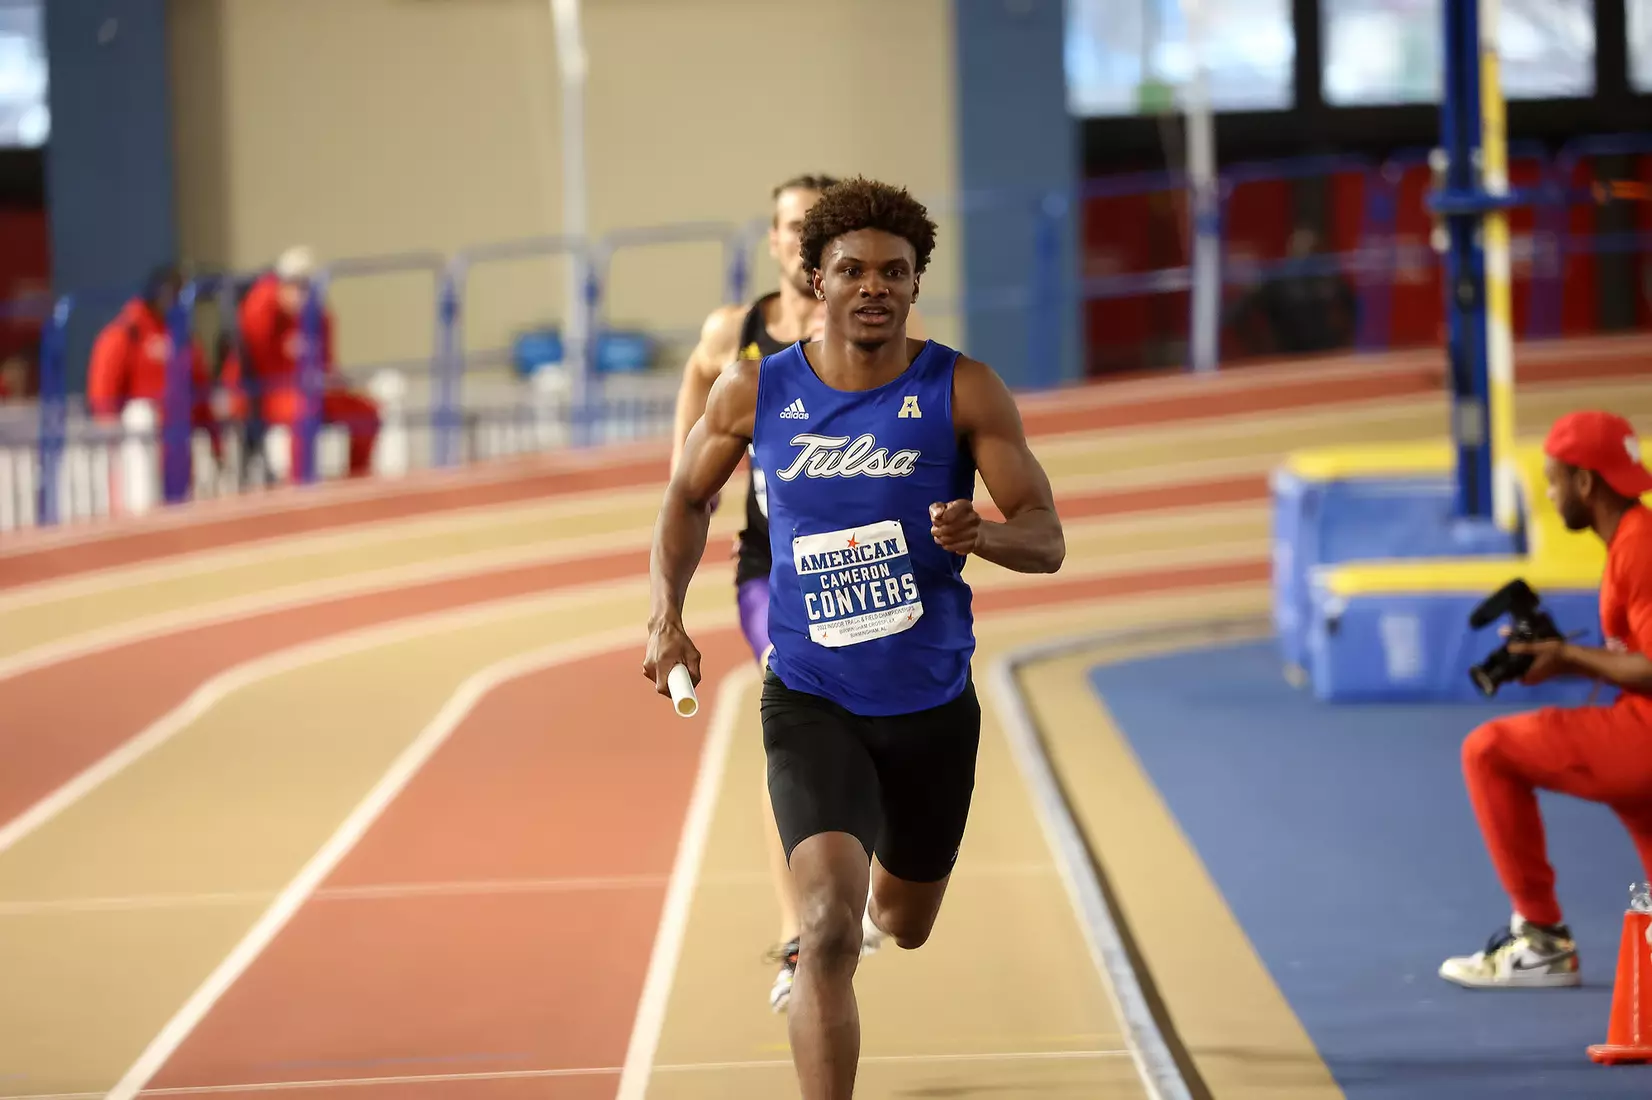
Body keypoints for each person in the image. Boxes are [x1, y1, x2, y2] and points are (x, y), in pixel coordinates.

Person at [645, 177, 1064, 1098]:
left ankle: (887, 894)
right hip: (812, 698)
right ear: (816, 276)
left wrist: (982, 534)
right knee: (829, 929)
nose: (874, 286)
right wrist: (666, 616)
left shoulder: (963, 389)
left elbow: (1046, 533)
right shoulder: (758, 390)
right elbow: (684, 497)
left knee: (900, 922)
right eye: (852, 269)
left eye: (895, 272)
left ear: (917, 285)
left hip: (930, 709)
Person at [670, 173, 930, 1014]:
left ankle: (872, 832)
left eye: (805, 229)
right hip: (773, 566)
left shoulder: (870, 324)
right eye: (783, 227)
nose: (793, 241)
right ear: (777, 242)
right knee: (796, 690)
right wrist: (691, 475)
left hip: (869, 569)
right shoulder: (734, 335)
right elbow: (698, 399)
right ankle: (802, 926)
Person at [1440, 410, 1652, 990]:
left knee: (1488, 750)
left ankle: (1540, 941)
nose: (1551, 494)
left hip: (1645, 736)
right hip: (1638, 725)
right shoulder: (1633, 537)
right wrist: (1556, 659)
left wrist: (1567, 655)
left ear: (1586, 482)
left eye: (1554, 480)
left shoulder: (1639, 547)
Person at [223, 246, 380, 478]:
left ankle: (356, 480)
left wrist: (337, 381)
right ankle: (302, 485)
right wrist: (271, 294)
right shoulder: (262, 309)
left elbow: (326, 363)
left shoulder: (318, 315)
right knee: (304, 409)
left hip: (312, 388)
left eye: (305, 285)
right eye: (292, 284)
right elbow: (254, 342)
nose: (299, 292)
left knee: (367, 412)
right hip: (264, 392)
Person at [86, 265, 218, 465]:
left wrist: (215, 443)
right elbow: (103, 397)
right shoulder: (125, 333)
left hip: (180, 447)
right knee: (141, 414)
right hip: (139, 451)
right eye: (176, 295)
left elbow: (201, 392)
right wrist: (114, 452)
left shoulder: (185, 339)